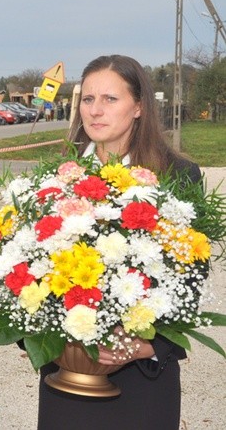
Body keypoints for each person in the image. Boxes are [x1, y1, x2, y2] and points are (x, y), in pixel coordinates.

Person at [39, 54, 202, 430]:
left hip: (139, 377)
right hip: (67, 373)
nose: (95, 111)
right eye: (88, 99)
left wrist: (145, 346)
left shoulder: (177, 175)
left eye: (110, 99)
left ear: (139, 107)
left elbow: (191, 275)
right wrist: (43, 334)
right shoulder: (58, 176)